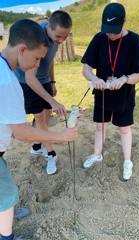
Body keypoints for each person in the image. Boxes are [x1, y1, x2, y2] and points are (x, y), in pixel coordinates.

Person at [0, 19, 78, 240]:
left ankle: (5, 212)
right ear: (22, 49)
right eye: (36, 59)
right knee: (7, 195)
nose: (37, 65)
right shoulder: (8, 82)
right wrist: (59, 136)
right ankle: (7, 235)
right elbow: (21, 132)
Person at [81, 2, 139, 180]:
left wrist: (125, 79)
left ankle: (128, 161)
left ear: (123, 22)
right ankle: (97, 154)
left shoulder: (135, 41)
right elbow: (86, 67)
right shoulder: (99, 38)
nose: (110, 34)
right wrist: (94, 78)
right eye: (107, 30)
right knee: (100, 127)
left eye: (114, 30)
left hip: (124, 95)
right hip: (103, 94)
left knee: (124, 129)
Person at [15, 10, 72, 175]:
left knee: (46, 117)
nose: (61, 41)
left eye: (65, 37)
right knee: (40, 119)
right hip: (28, 82)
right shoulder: (36, 39)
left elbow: (50, 60)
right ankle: (51, 153)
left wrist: (52, 81)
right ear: (49, 27)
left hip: (44, 79)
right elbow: (30, 78)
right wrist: (54, 102)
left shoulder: (56, 38)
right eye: (58, 37)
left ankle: (36, 146)